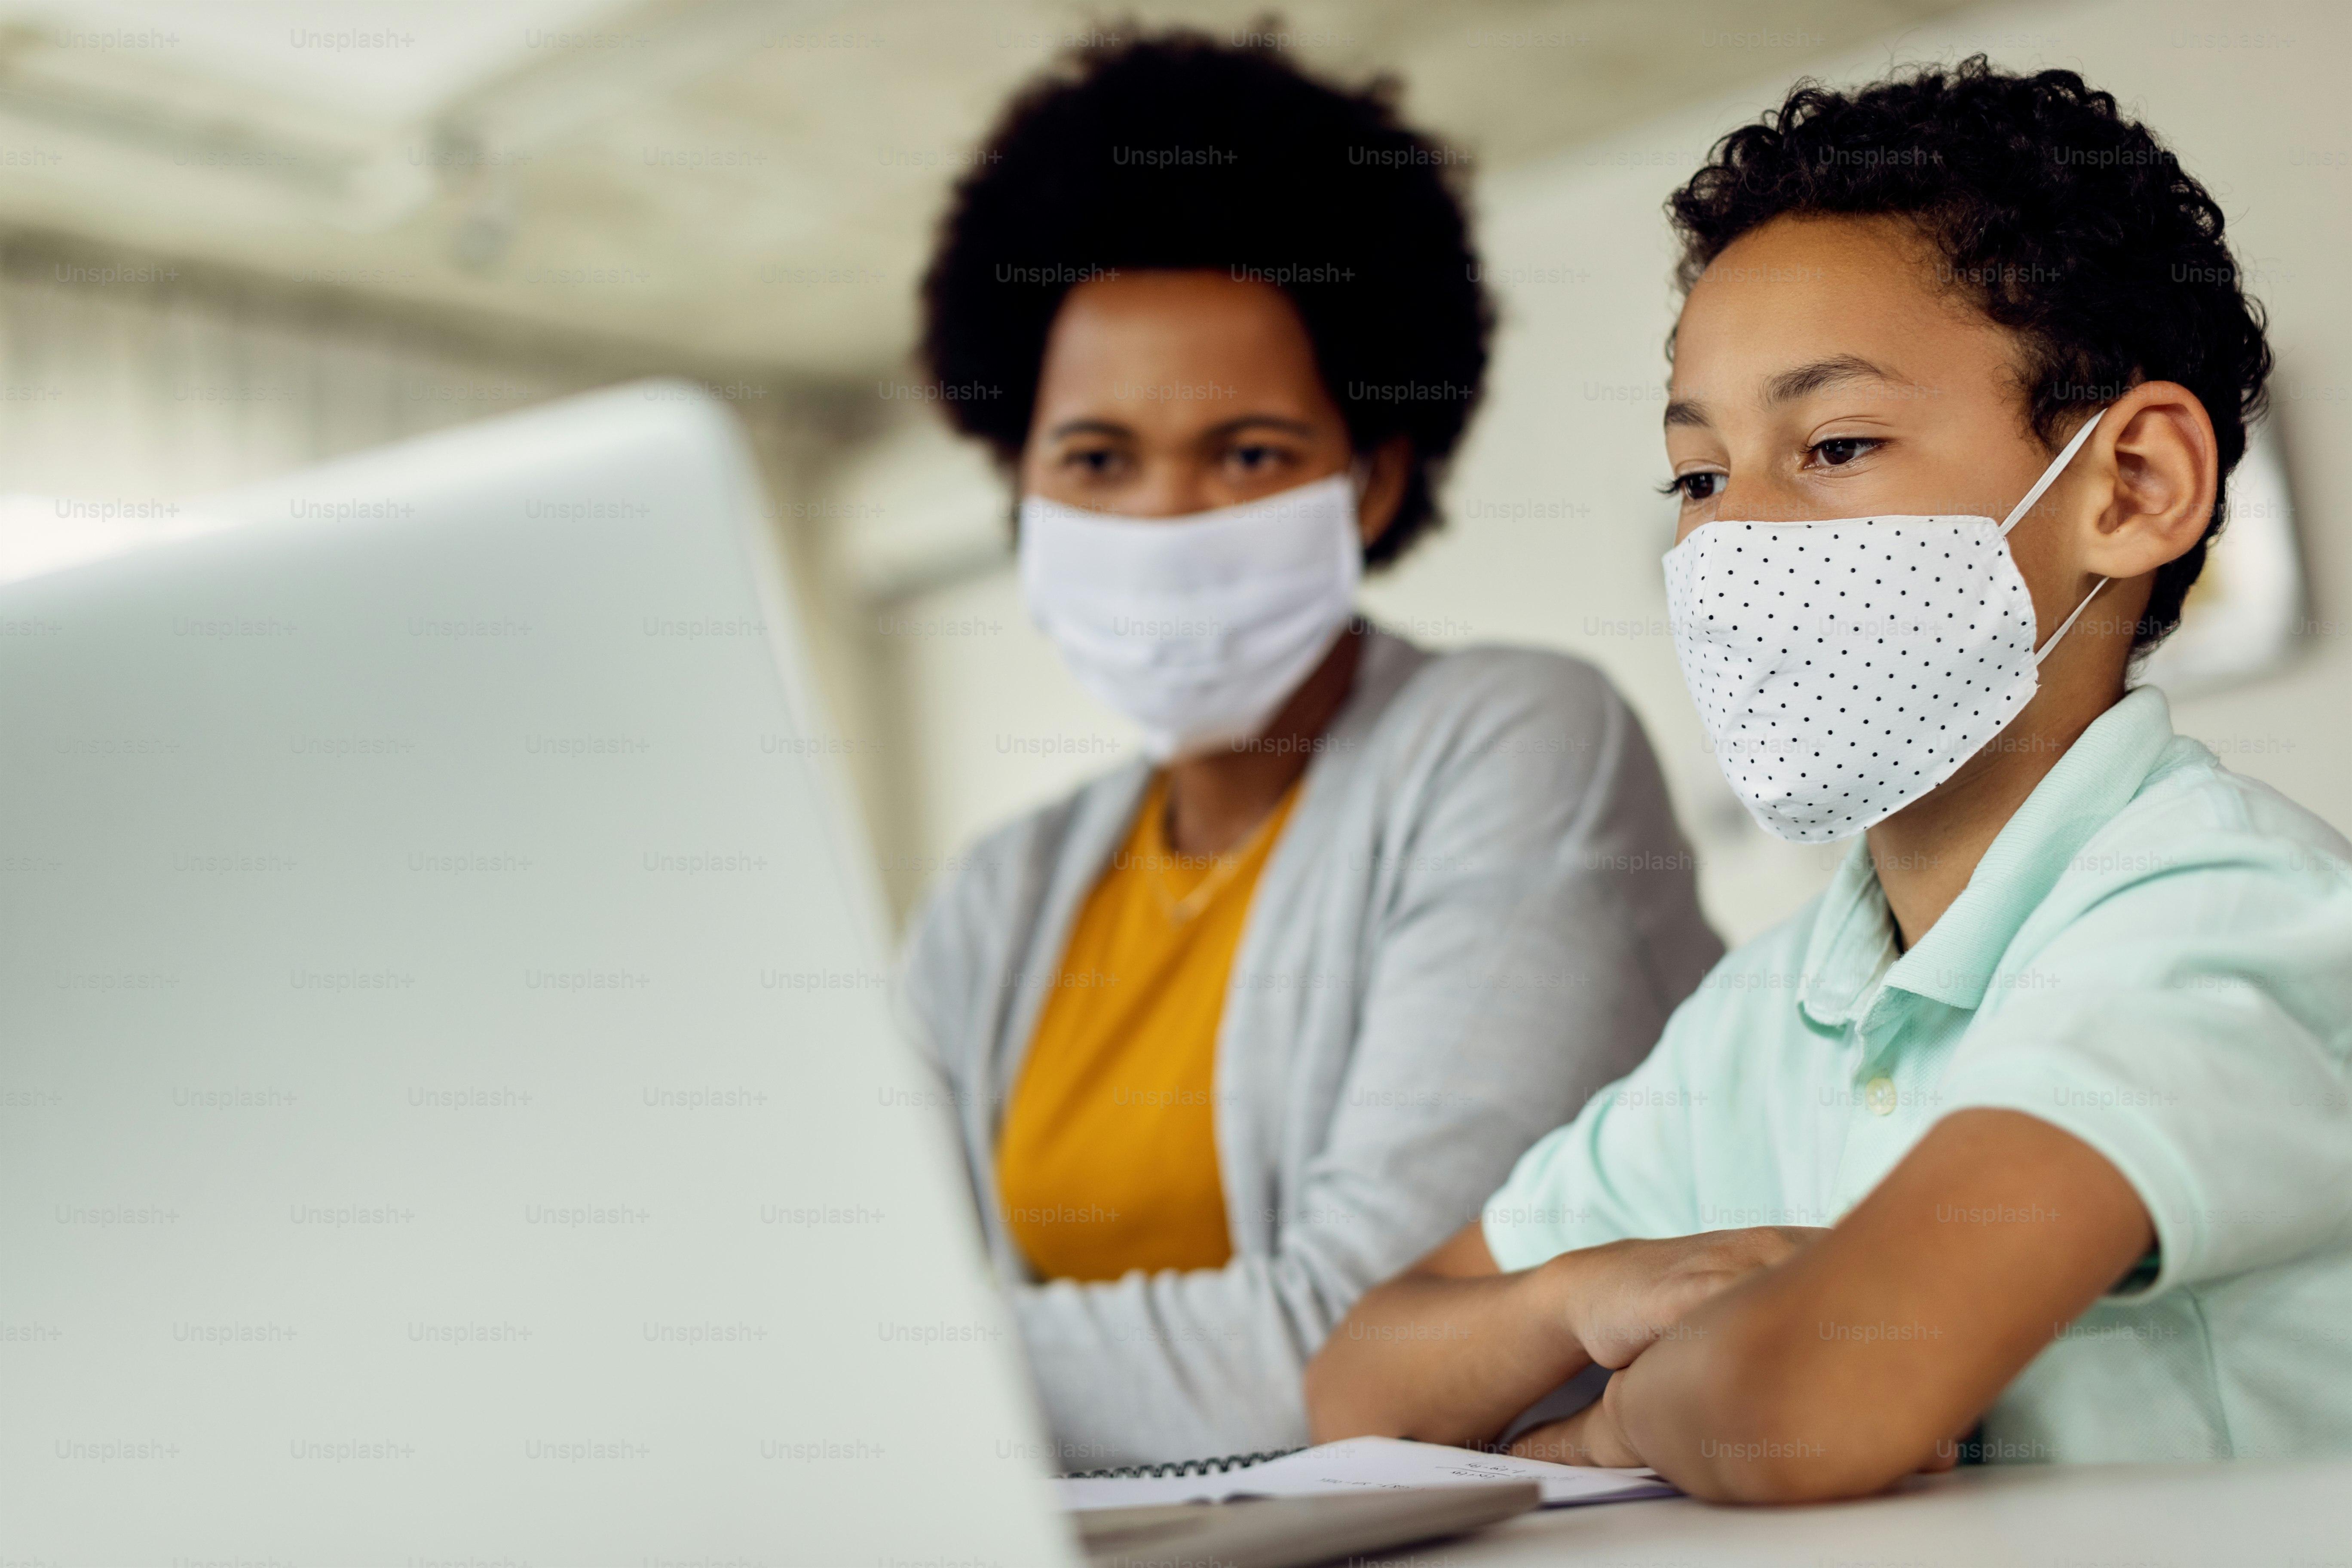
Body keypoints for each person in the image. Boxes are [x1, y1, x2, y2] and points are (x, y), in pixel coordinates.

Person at [1308, 58, 2352, 1501]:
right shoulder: (1777, 1004)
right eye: (1698, 478)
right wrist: (1576, 1302)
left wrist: (1611, 1424)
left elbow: (1815, 1392)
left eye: (1836, 446)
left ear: (2132, 488)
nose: (1731, 545)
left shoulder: (2227, 918)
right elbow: (1360, 1383)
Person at [895, 31, 1721, 1466]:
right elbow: (847, 1272)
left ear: (1373, 477)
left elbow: (1361, 1342)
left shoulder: (1516, 744)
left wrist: (878, 1372)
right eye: (1097, 459)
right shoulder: (998, 895)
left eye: (1248, 454)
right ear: (1019, 482)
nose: (1164, 517)